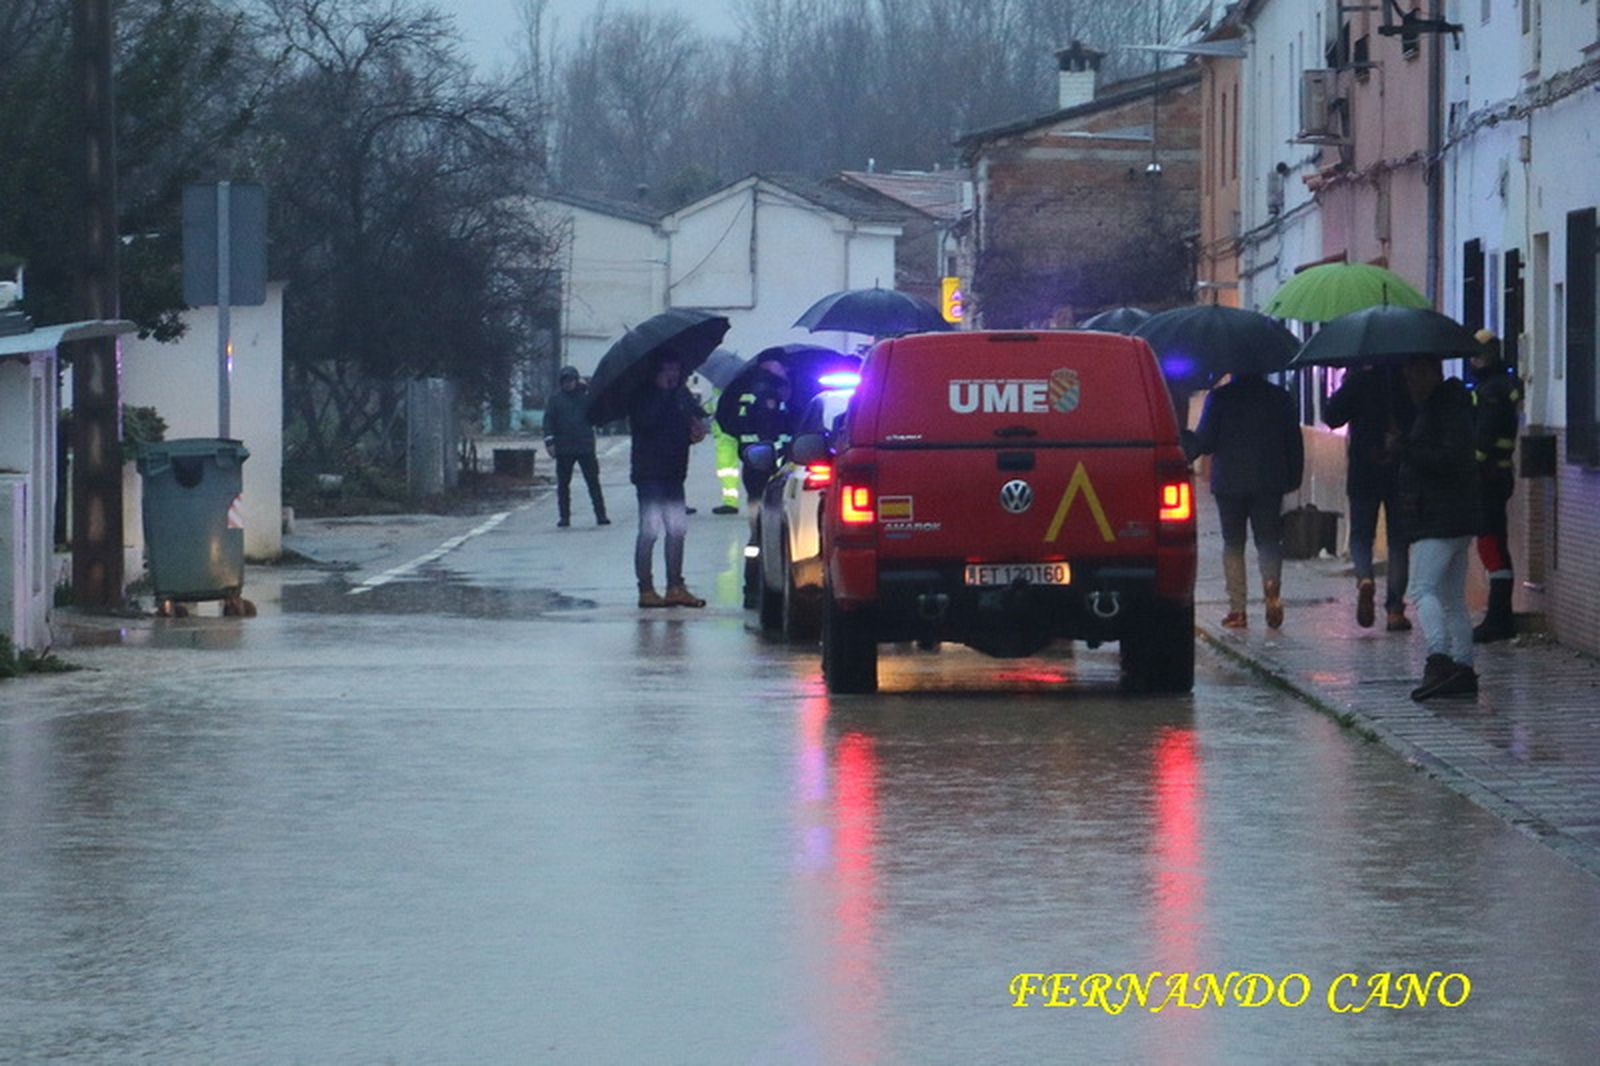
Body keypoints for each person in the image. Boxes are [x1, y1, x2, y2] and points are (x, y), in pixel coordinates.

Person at [1394, 355, 1482, 701]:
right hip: (1453, 515)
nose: (1410, 384)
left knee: (1420, 589)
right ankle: (1463, 666)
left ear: (1431, 372)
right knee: (1451, 597)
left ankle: (1439, 657)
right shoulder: (1447, 407)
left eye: (1414, 375)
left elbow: (1445, 460)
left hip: (1440, 516)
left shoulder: (1444, 410)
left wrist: (1406, 449)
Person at [1189, 372, 1304, 629]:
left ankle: (1237, 610)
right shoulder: (1279, 398)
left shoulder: (1219, 398)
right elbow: (1293, 442)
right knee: (1268, 540)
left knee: (1233, 543)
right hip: (1268, 480)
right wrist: (1293, 477)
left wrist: (1187, 445)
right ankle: (1271, 585)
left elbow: (1205, 441)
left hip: (1229, 481)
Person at [1323, 364, 1416, 631]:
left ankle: (1365, 577)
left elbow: (1332, 417)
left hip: (1364, 468)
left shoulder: (1359, 380)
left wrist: (1344, 386)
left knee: (1362, 535)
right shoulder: (1404, 377)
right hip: (1400, 469)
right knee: (1399, 542)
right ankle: (1395, 611)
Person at [629, 354, 708, 608]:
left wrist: (696, 429)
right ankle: (646, 589)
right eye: (668, 368)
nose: (673, 373)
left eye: (676, 367)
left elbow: (694, 419)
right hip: (650, 472)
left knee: (677, 530)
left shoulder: (681, 394)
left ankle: (675, 585)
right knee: (650, 531)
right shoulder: (644, 394)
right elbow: (647, 423)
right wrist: (663, 394)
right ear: (657, 371)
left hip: (675, 471)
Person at [1467, 329, 1522, 643]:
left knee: (1490, 544)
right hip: (1499, 474)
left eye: (1477, 354)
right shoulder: (1502, 384)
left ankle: (1499, 618)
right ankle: (1499, 615)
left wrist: (1470, 463)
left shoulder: (1490, 390)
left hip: (1488, 476)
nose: (1473, 361)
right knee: (1494, 542)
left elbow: (1485, 437)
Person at [542, 366, 609, 528]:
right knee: (563, 484)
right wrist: (549, 443)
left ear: (576, 381)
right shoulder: (555, 400)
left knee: (593, 482)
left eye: (571, 380)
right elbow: (548, 422)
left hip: (585, 447)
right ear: (561, 382)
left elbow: (598, 414)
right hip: (564, 448)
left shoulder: (586, 397)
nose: (568, 383)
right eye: (565, 380)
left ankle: (601, 515)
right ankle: (564, 517)